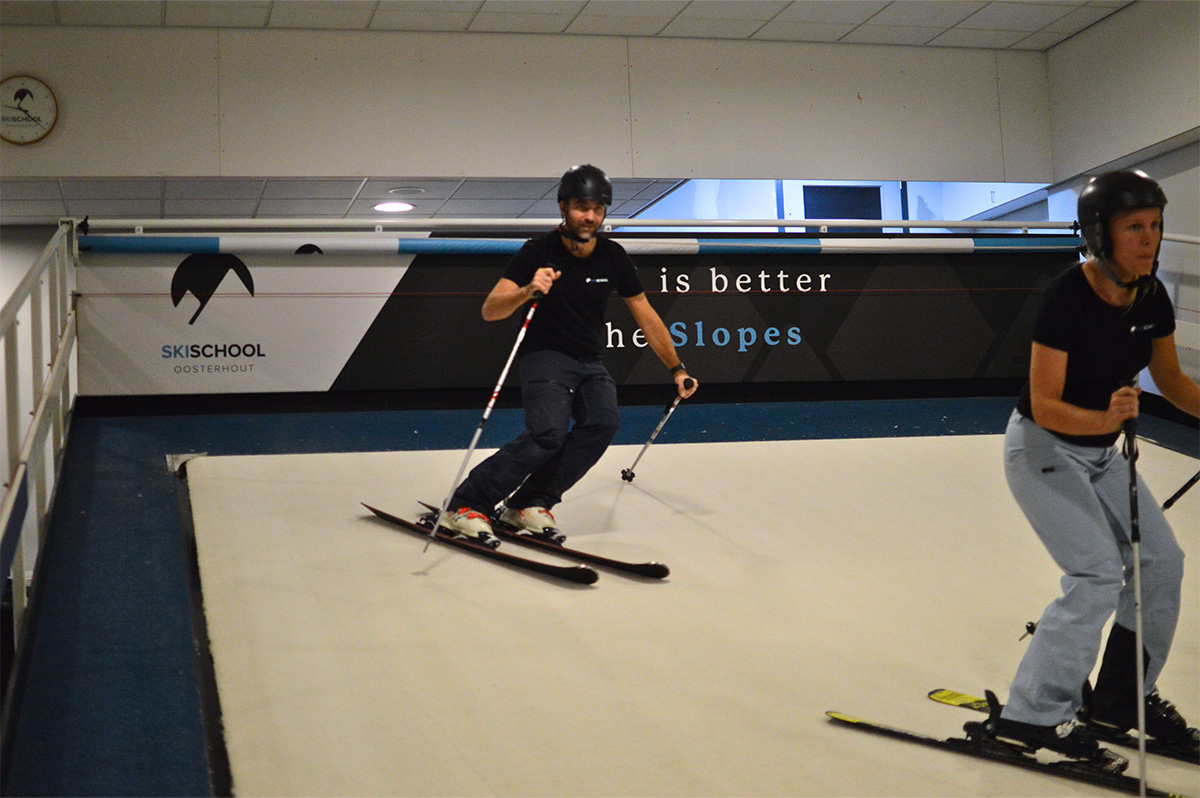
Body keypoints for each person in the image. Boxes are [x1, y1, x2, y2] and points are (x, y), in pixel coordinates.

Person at [994, 169, 1199, 760]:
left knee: (1162, 564)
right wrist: (1108, 418)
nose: (1149, 239)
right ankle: (1032, 715)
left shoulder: (1152, 295)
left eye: (1156, 226)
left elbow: (1173, 382)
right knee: (1097, 575)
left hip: (1101, 454)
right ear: (1098, 235)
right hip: (1043, 450)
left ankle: (1120, 702)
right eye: (1133, 226)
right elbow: (1044, 405)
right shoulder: (1065, 299)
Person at [443, 164, 698, 540]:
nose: (590, 216)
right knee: (547, 433)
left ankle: (528, 503)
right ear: (563, 206)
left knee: (603, 424)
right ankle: (466, 503)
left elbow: (645, 314)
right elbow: (491, 309)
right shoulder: (537, 252)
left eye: (597, 208)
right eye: (581, 206)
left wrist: (676, 368)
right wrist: (528, 289)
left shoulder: (613, 256)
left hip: (589, 359)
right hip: (545, 355)